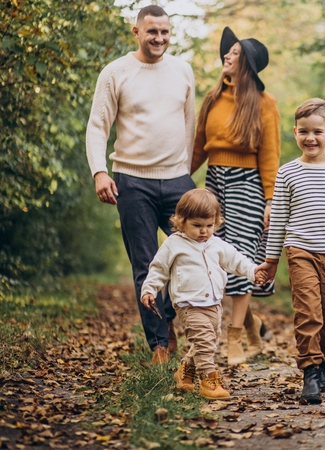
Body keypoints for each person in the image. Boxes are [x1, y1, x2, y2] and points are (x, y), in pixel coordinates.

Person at [85, 5, 196, 364]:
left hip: (178, 179)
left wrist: (186, 171)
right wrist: (100, 171)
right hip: (133, 182)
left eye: (165, 32)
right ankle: (159, 345)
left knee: (191, 258)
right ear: (136, 31)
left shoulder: (183, 70)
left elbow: (189, 124)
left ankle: (180, 325)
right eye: (152, 32)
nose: (159, 39)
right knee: (146, 266)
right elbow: (98, 125)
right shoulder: (116, 72)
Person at [258, 98, 325, 404]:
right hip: (300, 250)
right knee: (308, 313)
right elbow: (277, 220)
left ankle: (322, 363)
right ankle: (310, 374)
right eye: (304, 131)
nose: (310, 138)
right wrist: (271, 260)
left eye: (317, 131)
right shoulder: (288, 173)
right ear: (294, 132)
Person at [191, 26, 280, 365]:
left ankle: (233, 340)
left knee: (241, 258)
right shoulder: (213, 99)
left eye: (235, 54)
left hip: (248, 185)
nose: (227, 56)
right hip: (214, 181)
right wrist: (179, 178)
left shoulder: (264, 103)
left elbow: (270, 154)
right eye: (227, 52)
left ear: (247, 66)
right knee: (216, 259)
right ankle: (252, 323)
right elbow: (198, 148)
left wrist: (271, 200)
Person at [140, 189, 268, 399]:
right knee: (205, 342)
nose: (204, 231)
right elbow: (158, 269)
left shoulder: (216, 244)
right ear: (182, 222)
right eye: (197, 226)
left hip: (214, 304)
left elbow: (237, 261)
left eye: (209, 226)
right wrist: (149, 289)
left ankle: (185, 371)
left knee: (208, 341)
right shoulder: (174, 244)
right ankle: (208, 381)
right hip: (188, 304)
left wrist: (254, 272)